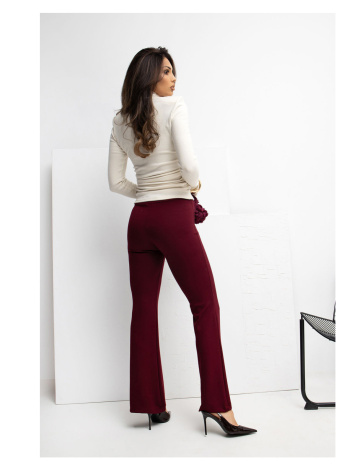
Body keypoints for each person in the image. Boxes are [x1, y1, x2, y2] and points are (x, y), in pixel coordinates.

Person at [108, 47, 257, 436]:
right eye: (166, 71)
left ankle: (150, 406)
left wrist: (146, 193)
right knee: (205, 305)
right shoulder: (175, 107)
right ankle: (219, 407)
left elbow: (116, 182)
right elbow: (190, 165)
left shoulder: (120, 120)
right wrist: (193, 185)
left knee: (143, 311)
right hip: (174, 216)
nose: (174, 78)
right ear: (148, 76)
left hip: (140, 221)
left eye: (173, 71)